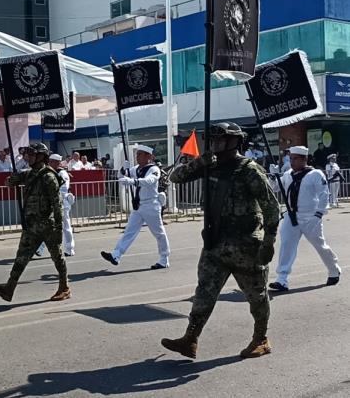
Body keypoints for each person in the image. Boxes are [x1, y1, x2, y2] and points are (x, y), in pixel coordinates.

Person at [161, 122, 280, 359]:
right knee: (204, 292)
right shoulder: (210, 165)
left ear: (235, 142)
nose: (216, 145)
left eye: (221, 141)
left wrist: (269, 242)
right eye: (213, 140)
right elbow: (175, 177)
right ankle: (190, 339)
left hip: (245, 247)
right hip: (215, 243)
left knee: (256, 297)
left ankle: (261, 338)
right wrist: (199, 162)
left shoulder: (249, 170)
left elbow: (271, 208)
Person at [0, 143, 71, 302]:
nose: (29, 157)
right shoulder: (28, 174)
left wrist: (59, 228)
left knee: (57, 257)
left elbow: (57, 204)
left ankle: (64, 287)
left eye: (33, 155)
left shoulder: (49, 176)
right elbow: (8, 183)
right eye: (29, 155)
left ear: (41, 157)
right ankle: (9, 288)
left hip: (47, 225)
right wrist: (12, 178)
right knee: (21, 257)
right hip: (31, 226)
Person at [267, 146, 341, 292]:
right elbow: (275, 188)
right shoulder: (288, 174)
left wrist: (319, 214)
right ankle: (282, 279)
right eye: (291, 158)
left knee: (320, 245)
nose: (292, 161)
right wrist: (273, 176)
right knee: (287, 246)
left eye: (295, 159)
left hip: (310, 217)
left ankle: (334, 269)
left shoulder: (315, 174)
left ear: (304, 159)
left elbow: (324, 195)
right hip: (291, 215)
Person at [100, 145, 171, 269]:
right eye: (136, 155)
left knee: (159, 233)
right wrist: (123, 169)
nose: (136, 157)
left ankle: (164, 258)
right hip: (139, 206)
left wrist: (132, 181)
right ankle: (116, 255)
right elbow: (121, 177)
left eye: (139, 154)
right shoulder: (136, 168)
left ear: (148, 156)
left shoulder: (153, 169)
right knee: (129, 231)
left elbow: (149, 181)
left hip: (151, 205)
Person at [50, 154, 75, 257]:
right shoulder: (53, 172)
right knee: (47, 225)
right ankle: (40, 248)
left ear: (57, 162)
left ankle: (69, 248)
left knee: (66, 226)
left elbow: (63, 189)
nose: (49, 163)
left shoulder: (62, 173)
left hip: (62, 203)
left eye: (51, 161)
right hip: (53, 202)